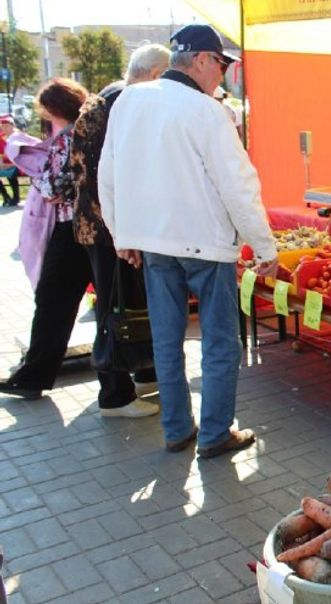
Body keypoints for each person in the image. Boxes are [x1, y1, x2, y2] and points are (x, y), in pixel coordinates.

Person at [99, 24, 278, 458]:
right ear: (200, 59)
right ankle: (216, 433)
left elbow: (109, 170)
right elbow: (238, 186)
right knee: (220, 341)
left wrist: (120, 231)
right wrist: (266, 246)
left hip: (155, 241)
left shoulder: (128, 99)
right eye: (220, 64)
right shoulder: (206, 110)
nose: (222, 74)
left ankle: (177, 429)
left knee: (167, 338)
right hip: (205, 243)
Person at [0, 79, 120, 406]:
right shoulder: (95, 129)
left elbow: (53, 189)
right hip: (100, 230)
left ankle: (34, 376)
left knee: (54, 304)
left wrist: (37, 174)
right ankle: (118, 386)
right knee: (108, 308)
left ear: (51, 110)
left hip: (73, 228)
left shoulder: (64, 140)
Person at [69, 43, 174, 417]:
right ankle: (115, 394)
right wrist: (125, 233)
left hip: (115, 226)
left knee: (133, 304)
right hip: (108, 229)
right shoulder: (119, 105)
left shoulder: (114, 98)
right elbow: (109, 178)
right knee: (114, 308)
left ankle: (146, 373)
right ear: (156, 74)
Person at [0, 115, 22, 206]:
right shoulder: (1, 137)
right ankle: (6, 196)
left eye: (7, 125)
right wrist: (1, 163)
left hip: (19, 164)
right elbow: (0, 153)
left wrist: (12, 165)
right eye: (2, 126)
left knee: (12, 174)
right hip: (6, 164)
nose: (4, 128)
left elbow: (23, 155)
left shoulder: (19, 136)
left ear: (13, 126)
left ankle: (16, 197)